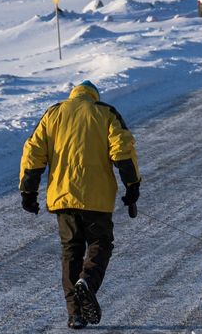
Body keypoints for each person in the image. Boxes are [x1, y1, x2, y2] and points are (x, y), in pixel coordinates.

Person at [20, 80, 142, 329]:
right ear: (93, 96)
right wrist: (132, 186)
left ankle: (75, 314)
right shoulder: (105, 112)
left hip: (63, 198)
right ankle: (87, 281)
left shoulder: (54, 113)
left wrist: (28, 191)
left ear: (73, 95)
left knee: (71, 251)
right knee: (100, 244)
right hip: (97, 199)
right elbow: (123, 150)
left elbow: (33, 151)